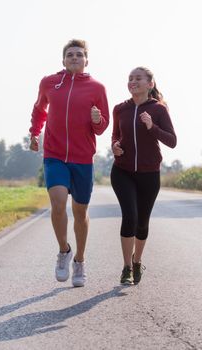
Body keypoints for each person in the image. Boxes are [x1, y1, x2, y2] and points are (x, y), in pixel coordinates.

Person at [29, 39, 109, 287]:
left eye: (79, 55)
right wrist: (34, 133)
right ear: (63, 60)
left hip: (82, 158)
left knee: (80, 211)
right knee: (58, 203)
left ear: (86, 60)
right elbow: (40, 109)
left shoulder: (97, 88)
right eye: (70, 54)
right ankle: (64, 251)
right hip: (54, 155)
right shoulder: (49, 83)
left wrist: (97, 119)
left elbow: (102, 127)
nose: (74, 58)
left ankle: (80, 261)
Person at [110, 67, 177, 285]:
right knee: (130, 216)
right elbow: (115, 137)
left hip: (149, 173)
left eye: (138, 78)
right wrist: (115, 146)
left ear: (150, 84)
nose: (133, 82)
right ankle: (126, 267)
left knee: (142, 222)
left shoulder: (158, 109)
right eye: (130, 78)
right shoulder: (120, 109)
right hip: (122, 171)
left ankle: (137, 261)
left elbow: (172, 141)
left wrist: (152, 127)